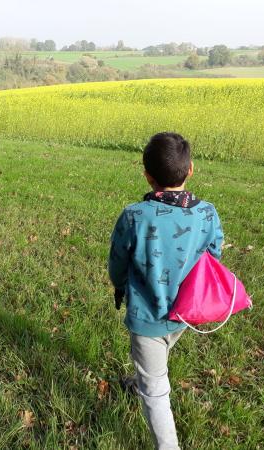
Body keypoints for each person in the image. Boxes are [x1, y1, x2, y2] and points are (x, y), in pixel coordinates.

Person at [108, 132, 224, 450]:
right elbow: (214, 254)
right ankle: (143, 377)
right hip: (188, 311)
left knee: (156, 391)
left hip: (149, 317)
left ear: (147, 176)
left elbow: (118, 262)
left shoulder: (134, 216)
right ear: (190, 170)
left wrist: (118, 285)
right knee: (160, 353)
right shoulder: (207, 213)